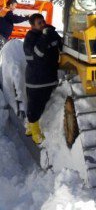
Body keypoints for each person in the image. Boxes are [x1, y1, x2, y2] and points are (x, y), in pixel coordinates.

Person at [23, 13, 62, 144]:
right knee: (35, 105)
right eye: (39, 23)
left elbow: (61, 46)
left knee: (43, 104)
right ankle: (35, 132)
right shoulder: (30, 38)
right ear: (33, 26)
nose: (43, 24)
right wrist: (45, 36)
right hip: (36, 80)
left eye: (43, 21)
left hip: (50, 78)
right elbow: (37, 55)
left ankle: (29, 126)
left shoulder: (50, 33)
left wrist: (52, 34)